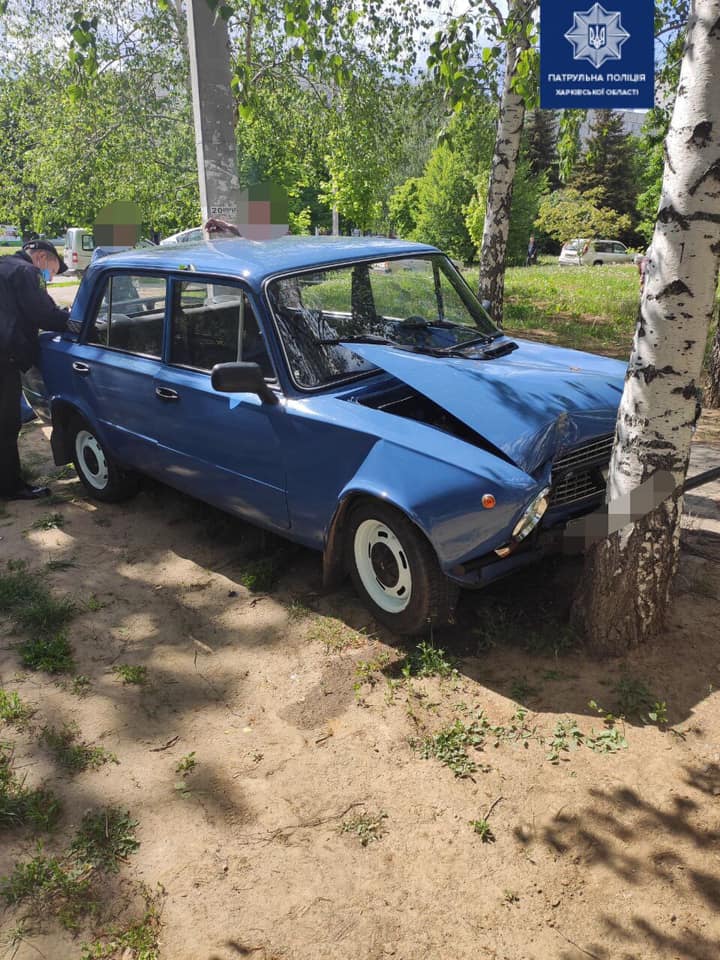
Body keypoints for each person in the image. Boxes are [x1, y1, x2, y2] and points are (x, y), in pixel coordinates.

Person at [0, 239, 69, 500]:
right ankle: (9, 487)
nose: (49, 279)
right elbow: (44, 314)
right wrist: (75, 322)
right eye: (51, 271)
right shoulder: (27, 271)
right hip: (4, 357)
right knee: (7, 424)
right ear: (41, 257)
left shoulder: (5, 266)